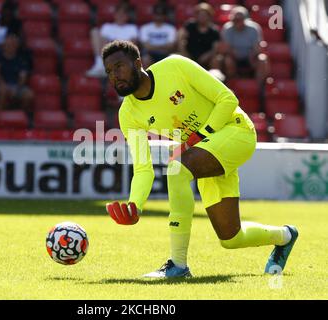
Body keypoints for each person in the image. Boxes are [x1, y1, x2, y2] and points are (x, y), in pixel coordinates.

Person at [102, 40, 298, 278]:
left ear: (138, 63)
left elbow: (228, 100)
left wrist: (196, 137)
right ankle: (285, 235)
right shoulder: (128, 114)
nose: (114, 76)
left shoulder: (175, 66)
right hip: (206, 150)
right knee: (231, 238)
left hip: (236, 131)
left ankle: (178, 265)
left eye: (119, 67)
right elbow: (143, 169)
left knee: (177, 168)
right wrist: (135, 205)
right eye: (109, 72)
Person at [86, 3, 138, 78]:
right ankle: (99, 64)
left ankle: (104, 67)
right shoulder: (107, 26)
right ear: (115, 15)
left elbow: (133, 44)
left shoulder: (132, 28)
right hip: (107, 52)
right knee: (94, 31)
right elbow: (102, 42)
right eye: (119, 14)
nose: (120, 16)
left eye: (123, 14)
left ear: (127, 16)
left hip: (123, 53)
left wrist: (114, 43)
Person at [219, 6, 269, 82]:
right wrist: (234, 55)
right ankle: (232, 84)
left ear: (245, 20)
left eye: (239, 19)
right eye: (235, 20)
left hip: (251, 57)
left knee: (263, 59)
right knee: (227, 60)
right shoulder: (227, 28)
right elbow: (226, 48)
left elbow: (257, 47)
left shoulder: (254, 28)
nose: (236, 22)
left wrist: (252, 56)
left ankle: (260, 87)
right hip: (234, 57)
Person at [0, 33, 33, 110]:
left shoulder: (21, 59)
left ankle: (20, 115)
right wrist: (3, 85)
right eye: (8, 44)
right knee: (3, 91)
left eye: (13, 44)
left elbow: (23, 77)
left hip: (16, 85)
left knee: (28, 95)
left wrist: (17, 88)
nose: (10, 46)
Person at [177, 3, 220, 69]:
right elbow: (181, 38)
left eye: (204, 15)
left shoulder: (214, 30)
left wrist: (207, 56)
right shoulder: (190, 25)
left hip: (206, 59)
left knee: (216, 60)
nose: (202, 17)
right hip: (189, 56)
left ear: (209, 16)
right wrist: (184, 53)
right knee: (174, 57)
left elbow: (215, 48)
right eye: (200, 15)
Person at [139, 4, 176, 68]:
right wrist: (162, 47)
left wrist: (153, 46)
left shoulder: (171, 28)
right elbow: (147, 46)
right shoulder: (145, 28)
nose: (159, 16)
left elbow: (170, 46)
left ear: (165, 16)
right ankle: (146, 78)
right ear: (153, 15)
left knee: (174, 58)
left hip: (165, 54)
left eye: (161, 14)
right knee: (145, 59)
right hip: (150, 54)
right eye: (157, 14)